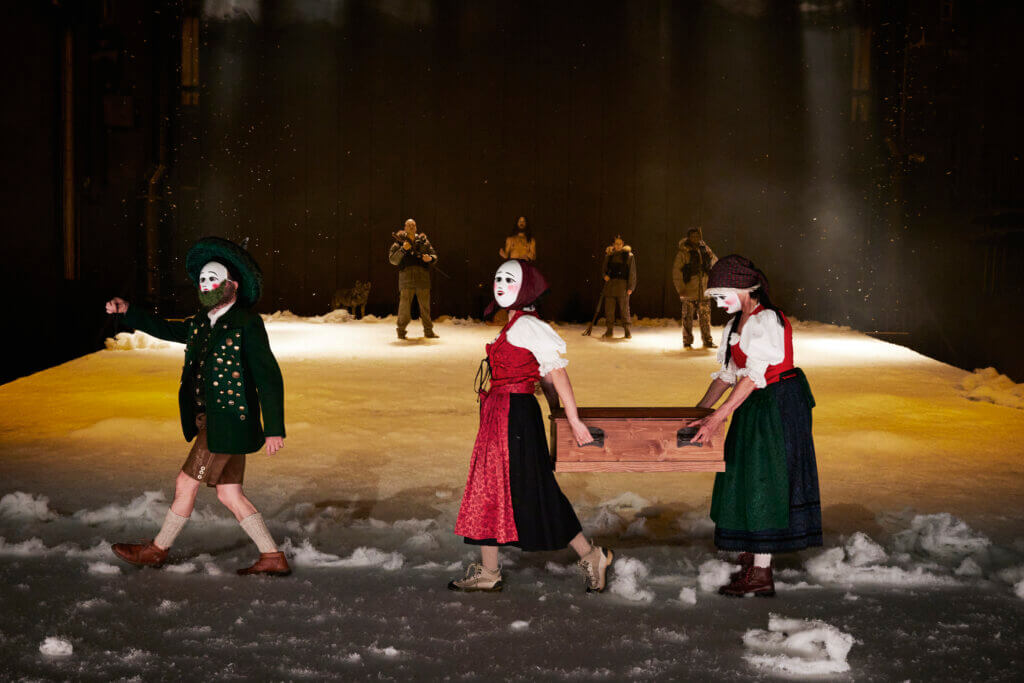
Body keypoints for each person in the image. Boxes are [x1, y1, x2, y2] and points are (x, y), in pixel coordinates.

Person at [105, 236, 290, 576]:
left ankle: (157, 549)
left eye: (213, 278)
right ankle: (272, 556)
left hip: (230, 421)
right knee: (229, 494)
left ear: (232, 285)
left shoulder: (247, 323)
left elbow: (268, 376)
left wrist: (274, 428)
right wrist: (129, 310)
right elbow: (164, 328)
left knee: (185, 483)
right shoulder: (201, 324)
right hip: (211, 421)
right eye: (202, 280)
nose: (206, 284)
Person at [450, 259, 614, 593]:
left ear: (524, 288)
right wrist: (553, 406)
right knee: (491, 486)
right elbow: (539, 372)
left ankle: (591, 554)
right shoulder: (515, 324)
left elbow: (556, 372)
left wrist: (573, 420)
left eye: (509, 280)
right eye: (497, 278)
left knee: (534, 488)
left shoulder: (527, 325)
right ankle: (489, 571)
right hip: (501, 415)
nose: (499, 284)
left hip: (516, 416)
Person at [690, 255, 822, 598]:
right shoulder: (736, 324)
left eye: (722, 296)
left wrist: (718, 416)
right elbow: (728, 375)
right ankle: (752, 554)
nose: (720, 304)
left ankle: (762, 572)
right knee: (745, 474)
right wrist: (698, 410)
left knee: (767, 479)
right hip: (752, 403)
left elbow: (753, 376)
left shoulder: (766, 321)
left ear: (744, 288)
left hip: (778, 405)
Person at [389, 218, 439, 340]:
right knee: (404, 308)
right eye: (409, 225)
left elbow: (434, 256)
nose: (411, 227)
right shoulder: (399, 242)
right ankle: (401, 331)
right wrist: (403, 249)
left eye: (413, 225)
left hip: (423, 278)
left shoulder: (424, 241)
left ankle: (428, 331)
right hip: (406, 279)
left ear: (416, 227)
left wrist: (430, 258)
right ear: (405, 227)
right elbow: (393, 260)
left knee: (425, 308)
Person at [672, 227, 718, 349]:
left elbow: (715, 263)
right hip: (688, 290)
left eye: (697, 236)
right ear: (688, 237)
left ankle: (707, 341)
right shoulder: (683, 253)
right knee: (687, 318)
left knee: (705, 318)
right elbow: (677, 273)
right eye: (692, 236)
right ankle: (687, 341)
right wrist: (680, 289)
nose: (695, 238)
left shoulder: (706, 250)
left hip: (704, 290)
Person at [601, 236, 636, 339]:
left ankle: (627, 331)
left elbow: (632, 273)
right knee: (609, 311)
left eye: (620, 244)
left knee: (624, 310)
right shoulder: (609, 256)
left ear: (623, 244)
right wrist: (605, 276)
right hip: (610, 287)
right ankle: (609, 331)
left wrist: (631, 287)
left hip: (623, 287)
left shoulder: (629, 256)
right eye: (616, 243)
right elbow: (603, 269)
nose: (618, 246)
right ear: (613, 244)